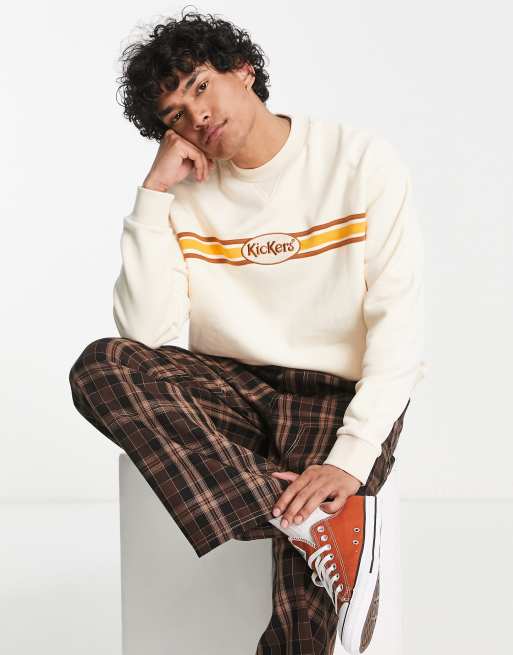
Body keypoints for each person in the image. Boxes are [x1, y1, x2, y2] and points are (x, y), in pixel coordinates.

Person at [68, 8, 427, 654]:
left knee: (304, 627)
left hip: (337, 395)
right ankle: (312, 521)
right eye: (177, 114)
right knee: (102, 367)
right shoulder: (182, 193)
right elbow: (145, 336)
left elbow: (398, 323)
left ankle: (314, 519)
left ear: (244, 71)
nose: (197, 115)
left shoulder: (357, 160)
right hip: (235, 392)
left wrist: (349, 458)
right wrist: (153, 192)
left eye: (201, 86)